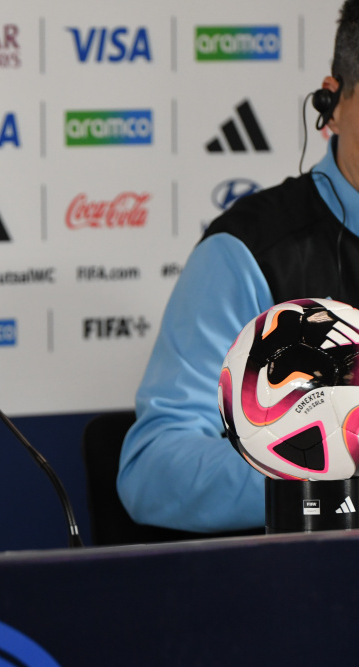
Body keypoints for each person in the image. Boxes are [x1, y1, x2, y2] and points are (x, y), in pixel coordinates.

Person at [117, 0, 359, 533]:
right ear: (334, 102)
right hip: (315, 590)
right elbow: (153, 468)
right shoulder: (249, 250)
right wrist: (326, 470)